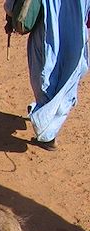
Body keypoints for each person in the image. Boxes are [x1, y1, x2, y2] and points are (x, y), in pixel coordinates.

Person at [8, 0, 90, 150]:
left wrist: (10, 13)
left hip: (47, 31)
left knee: (44, 74)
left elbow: (13, 7)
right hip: (77, 33)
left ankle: (46, 130)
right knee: (69, 77)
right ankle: (46, 118)